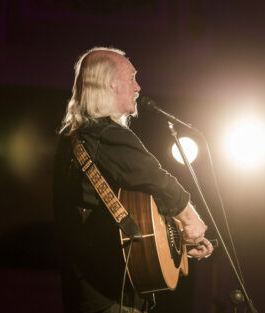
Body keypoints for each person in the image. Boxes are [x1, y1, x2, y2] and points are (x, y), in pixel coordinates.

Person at [53, 47, 213, 313]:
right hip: (110, 297)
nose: (138, 86)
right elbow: (159, 181)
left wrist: (178, 239)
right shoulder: (105, 134)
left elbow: (130, 208)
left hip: (93, 294)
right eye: (132, 77)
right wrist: (191, 220)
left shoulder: (77, 137)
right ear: (111, 84)